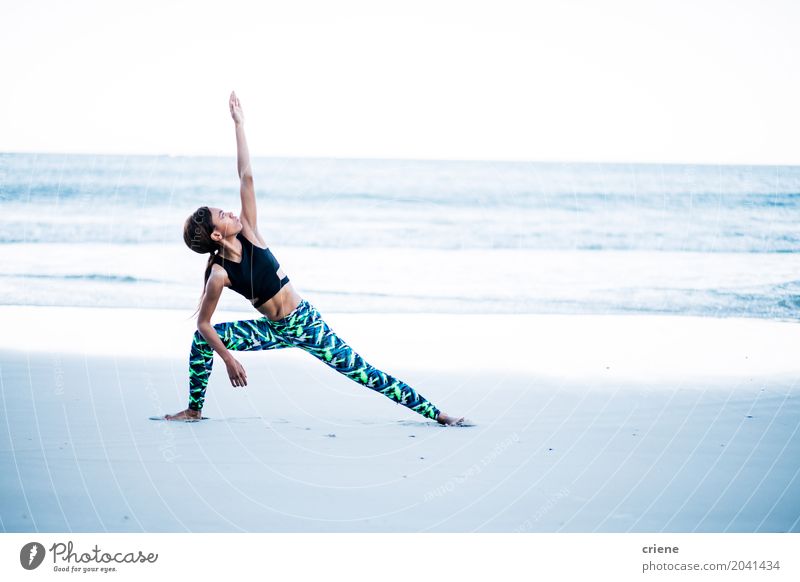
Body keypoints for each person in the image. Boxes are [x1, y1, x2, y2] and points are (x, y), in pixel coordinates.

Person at [164, 92, 467, 426]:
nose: (231, 212)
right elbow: (203, 324)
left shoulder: (249, 231)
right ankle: (193, 410)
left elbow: (246, 177)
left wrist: (239, 125)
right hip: (272, 329)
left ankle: (437, 413)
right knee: (200, 342)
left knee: (364, 373)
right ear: (217, 236)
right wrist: (227, 358)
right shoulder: (219, 274)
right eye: (222, 215)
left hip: (306, 324)